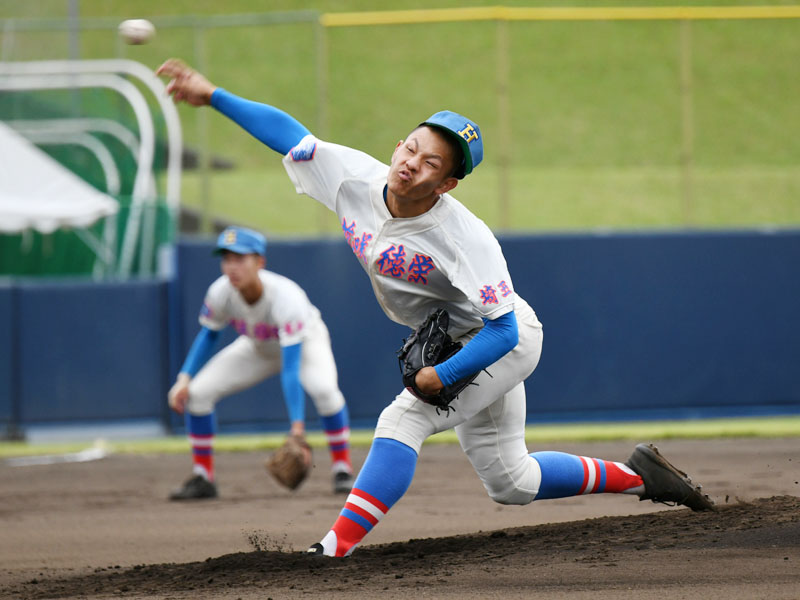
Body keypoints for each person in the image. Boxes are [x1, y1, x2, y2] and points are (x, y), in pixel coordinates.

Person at [157, 59, 714, 553]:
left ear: (446, 183)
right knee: (511, 482)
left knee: (402, 418)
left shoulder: (463, 236)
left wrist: (441, 374)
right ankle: (641, 478)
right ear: (400, 143)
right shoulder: (354, 177)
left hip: (501, 338)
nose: (410, 164)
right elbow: (291, 137)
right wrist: (212, 95)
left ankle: (333, 549)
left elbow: (504, 331)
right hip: (458, 335)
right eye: (411, 148)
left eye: (429, 164)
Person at [167, 225, 354, 499]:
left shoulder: (287, 297)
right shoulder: (220, 291)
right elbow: (208, 335)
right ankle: (203, 477)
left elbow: (290, 368)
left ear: (260, 262)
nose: (232, 267)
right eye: (227, 259)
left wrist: (297, 430)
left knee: (325, 391)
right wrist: (183, 379)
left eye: (240, 259)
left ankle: (342, 469)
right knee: (197, 394)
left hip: (306, 345)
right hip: (257, 347)